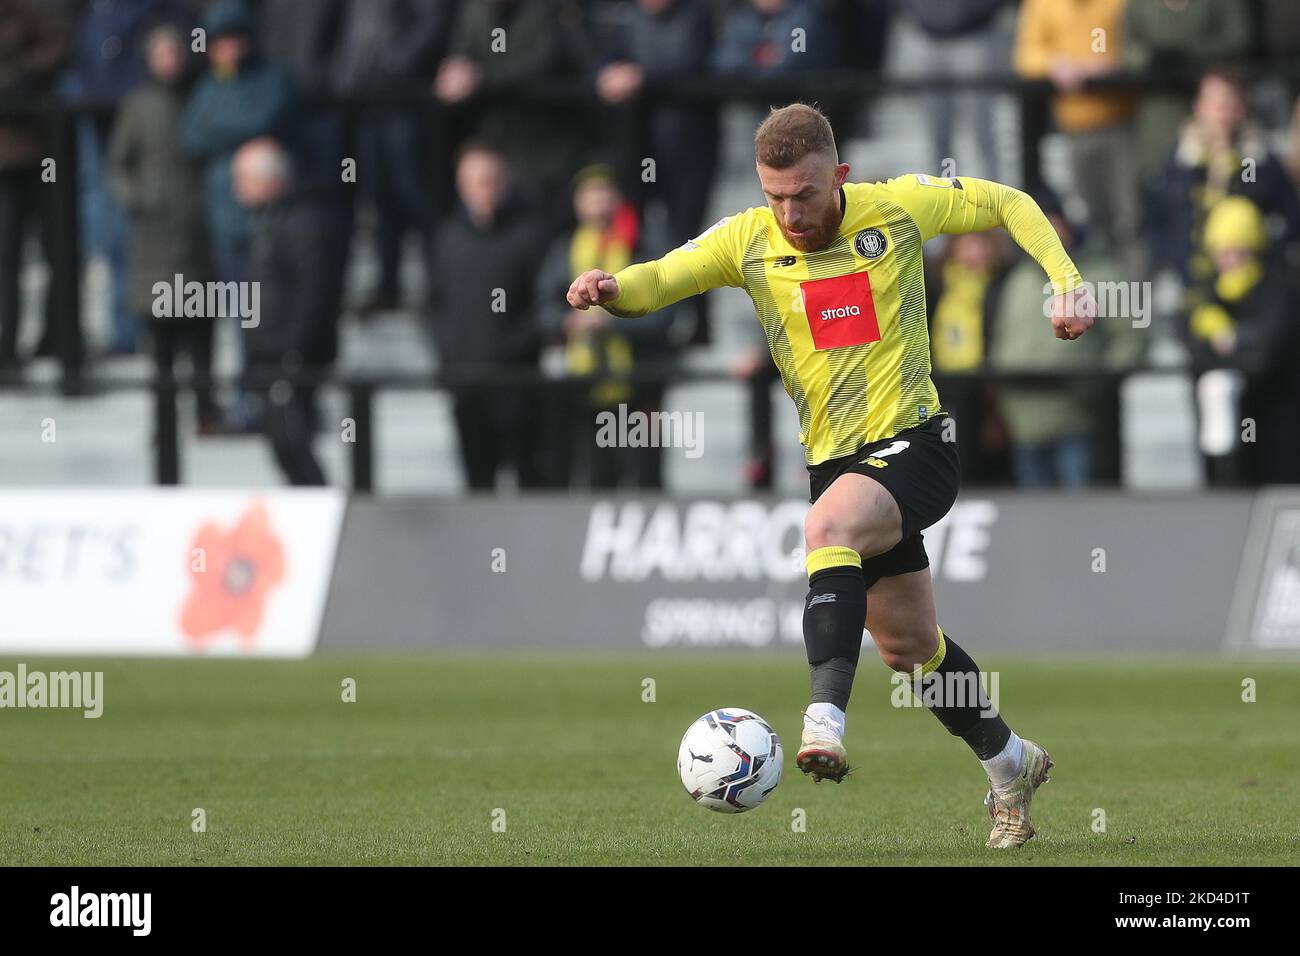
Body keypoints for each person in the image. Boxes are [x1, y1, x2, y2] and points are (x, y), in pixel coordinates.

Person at [567, 103, 1095, 849]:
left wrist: (1065, 280)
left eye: (805, 193)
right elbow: (660, 278)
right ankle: (1012, 764)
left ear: (839, 175)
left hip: (917, 444)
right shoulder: (749, 241)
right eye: (774, 195)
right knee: (911, 648)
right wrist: (611, 289)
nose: (790, 211)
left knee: (825, 528)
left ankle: (824, 719)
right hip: (836, 465)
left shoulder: (896, 210)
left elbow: (1007, 202)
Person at [108, 23, 220, 431]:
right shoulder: (138, 105)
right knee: (163, 338)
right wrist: (138, 198)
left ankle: (207, 412)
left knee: (202, 327)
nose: (170, 62)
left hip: (197, 232)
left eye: (175, 53)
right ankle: (165, 420)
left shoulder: (201, 96)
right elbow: (118, 164)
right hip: (154, 238)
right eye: (162, 54)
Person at [535, 164, 675, 489]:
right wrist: (568, 322)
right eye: (589, 195)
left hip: (640, 380)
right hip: (586, 383)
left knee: (646, 478)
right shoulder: (564, 249)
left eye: (604, 193)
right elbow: (543, 308)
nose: (598, 203)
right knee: (596, 478)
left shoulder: (641, 242)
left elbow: (665, 311)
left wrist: (612, 324)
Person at [426, 142, 551, 491]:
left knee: (531, 479)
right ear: (461, 185)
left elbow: (546, 303)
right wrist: (449, 353)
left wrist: (514, 346)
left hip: (519, 380)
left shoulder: (530, 234)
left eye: (492, 179)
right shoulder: (447, 237)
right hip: (467, 382)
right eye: (477, 181)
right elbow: (435, 304)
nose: (486, 189)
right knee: (477, 483)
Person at [235, 138, 346, 485]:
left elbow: (313, 293)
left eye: (243, 177)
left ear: (269, 180)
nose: (236, 187)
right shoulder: (269, 220)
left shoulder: (301, 222)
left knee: (293, 441)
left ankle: (321, 514)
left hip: (292, 357)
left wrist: (294, 350)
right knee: (282, 443)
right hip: (271, 354)